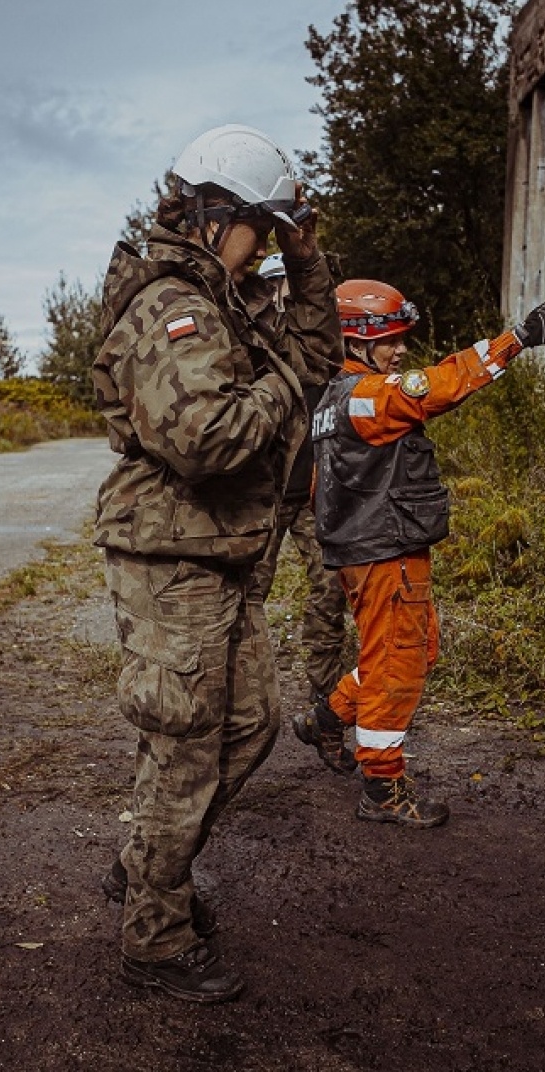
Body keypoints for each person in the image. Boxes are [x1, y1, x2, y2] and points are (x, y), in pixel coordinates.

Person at [91, 124, 342, 1003]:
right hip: (173, 557)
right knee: (191, 746)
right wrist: (277, 391)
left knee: (252, 728)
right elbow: (207, 435)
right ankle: (155, 933)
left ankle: (146, 862)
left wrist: (308, 267)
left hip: (222, 555)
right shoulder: (171, 306)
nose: (265, 245)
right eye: (262, 229)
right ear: (213, 213)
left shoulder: (224, 296)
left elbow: (317, 357)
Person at [298, 280, 545, 827]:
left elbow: (319, 485)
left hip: (369, 550)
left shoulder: (331, 399)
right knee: (397, 665)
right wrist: (514, 340)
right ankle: (383, 787)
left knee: (410, 650)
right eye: (390, 339)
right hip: (383, 552)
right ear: (357, 339)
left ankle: (329, 718)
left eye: (402, 339)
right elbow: (439, 386)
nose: (401, 350)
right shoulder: (368, 396)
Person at [247, 251, 349, 717]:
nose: (279, 295)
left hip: (313, 494)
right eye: (272, 287)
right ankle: (241, 701)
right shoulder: (251, 345)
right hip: (263, 498)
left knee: (330, 590)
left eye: (285, 284)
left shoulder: (323, 345)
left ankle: (326, 701)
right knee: (248, 597)